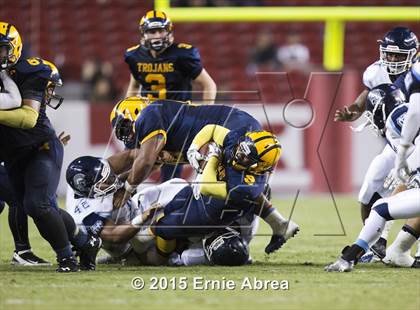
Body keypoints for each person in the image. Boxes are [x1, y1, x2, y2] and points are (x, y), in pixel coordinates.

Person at [0, 22, 100, 272]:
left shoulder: (28, 70)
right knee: (41, 207)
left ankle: (66, 258)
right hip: (14, 155)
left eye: (1, 49)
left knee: (38, 205)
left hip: (39, 147)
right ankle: (85, 241)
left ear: (13, 48)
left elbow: (28, 118)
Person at [334, 27, 419, 259]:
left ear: (414, 53)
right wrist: (353, 109)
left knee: (415, 188)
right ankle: (374, 244)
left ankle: (408, 246)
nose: (392, 60)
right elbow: (369, 94)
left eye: (399, 55)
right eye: (389, 54)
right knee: (369, 187)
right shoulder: (375, 72)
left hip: (417, 142)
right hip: (395, 143)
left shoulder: (417, 72)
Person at [124, 10, 217, 182]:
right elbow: (134, 86)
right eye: (152, 31)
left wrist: (206, 114)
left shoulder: (182, 55)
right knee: (130, 165)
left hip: (176, 119)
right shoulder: (135, 56)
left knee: (170, 177)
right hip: (147, 117)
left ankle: (169, 208)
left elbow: (209, 84)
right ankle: (121, 201)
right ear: (144, 34)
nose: (157, 35)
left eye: (161, 30)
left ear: (169, 32)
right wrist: (128, 112)